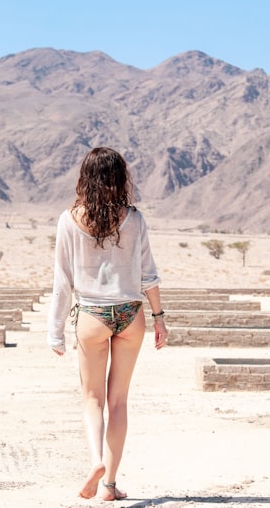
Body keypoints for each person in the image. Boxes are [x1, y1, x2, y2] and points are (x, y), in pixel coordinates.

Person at [47, 146, 168, 501]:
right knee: (119, 401)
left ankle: (96, 460)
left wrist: (54, 331)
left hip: (92, 317)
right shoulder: (135, 219)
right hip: (132, 315)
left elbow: (62, 280)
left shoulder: (68, 220)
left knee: (92, 399)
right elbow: (149, 275)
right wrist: (160, 319)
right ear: (119, 179)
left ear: (85, 178)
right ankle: (110, 485)